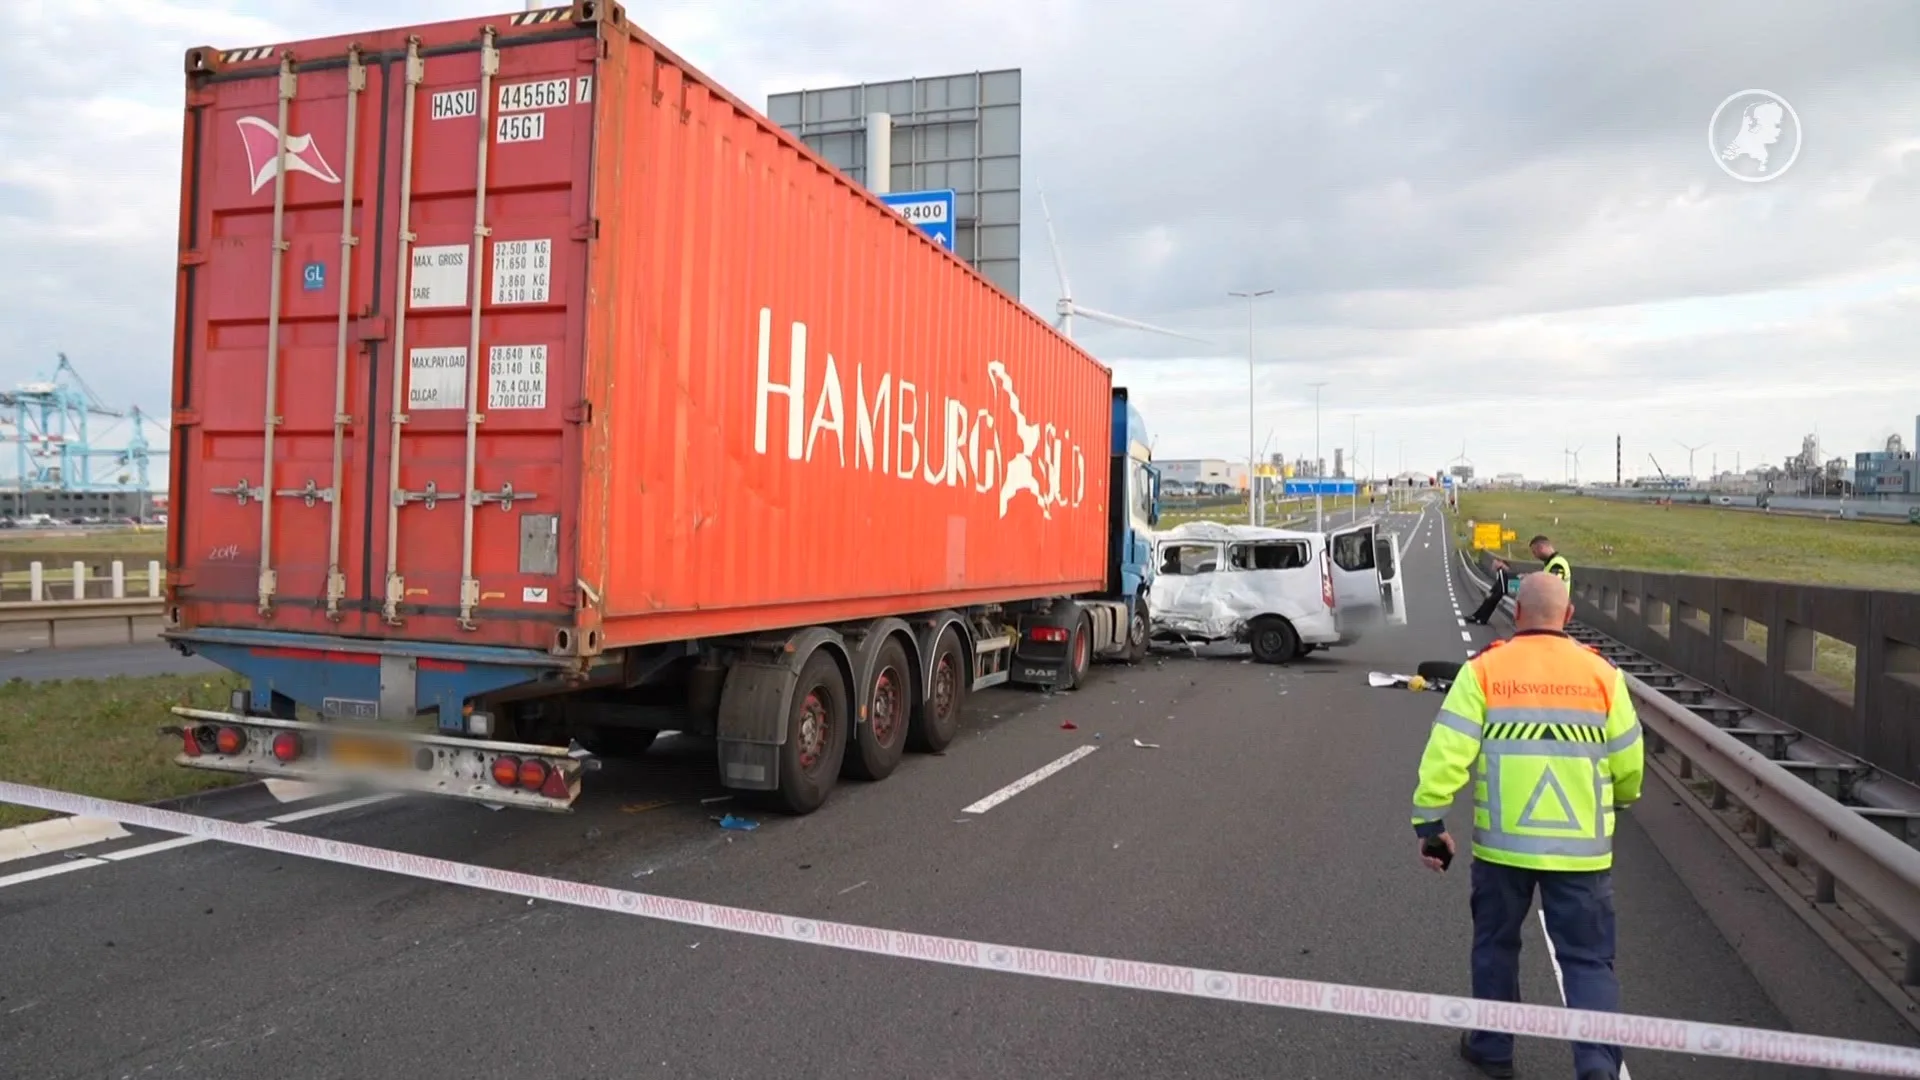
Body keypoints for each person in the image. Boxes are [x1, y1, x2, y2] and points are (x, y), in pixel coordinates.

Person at [1410, 573, 1645, 1080]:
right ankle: (1598, 1068)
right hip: (1581, 854)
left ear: (1516, 613)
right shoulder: (1603, 676)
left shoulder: (1486, 670)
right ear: (1568, 618)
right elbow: (1629, 766)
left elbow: (1447, 751)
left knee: (1495, 946)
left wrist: (1430, 821)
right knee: (1587, 962)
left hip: (1502, 853)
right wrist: (1616, 806)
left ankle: (1493, 1049)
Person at [1466, 558, 1511, 625]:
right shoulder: (1500, 571)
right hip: (1498, 592)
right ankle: (1477, 617)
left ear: (1500, 563)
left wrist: (1503, 593)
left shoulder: (1501, 571)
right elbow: (1498, 583)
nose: (1493, 565)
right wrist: (1491, 591)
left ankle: (1481, 619)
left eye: (1495, 563)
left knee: (1489, 604)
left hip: (1499, 592)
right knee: (1487, 603)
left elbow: (1502, 583)